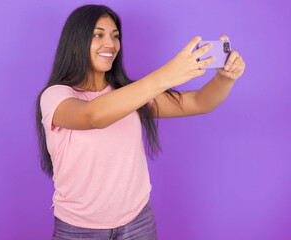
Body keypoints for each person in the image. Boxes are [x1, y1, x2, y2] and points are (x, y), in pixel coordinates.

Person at [35, 4, 245, 240]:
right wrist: (167, 75)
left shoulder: (130, 95)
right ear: (74, 43)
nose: (110, 44)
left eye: (115, 36)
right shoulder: (56, 96)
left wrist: (225, 79)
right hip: (79, 229)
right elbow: (93, 116)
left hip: (138, 222)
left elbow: (199, 102)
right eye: (98, 35)